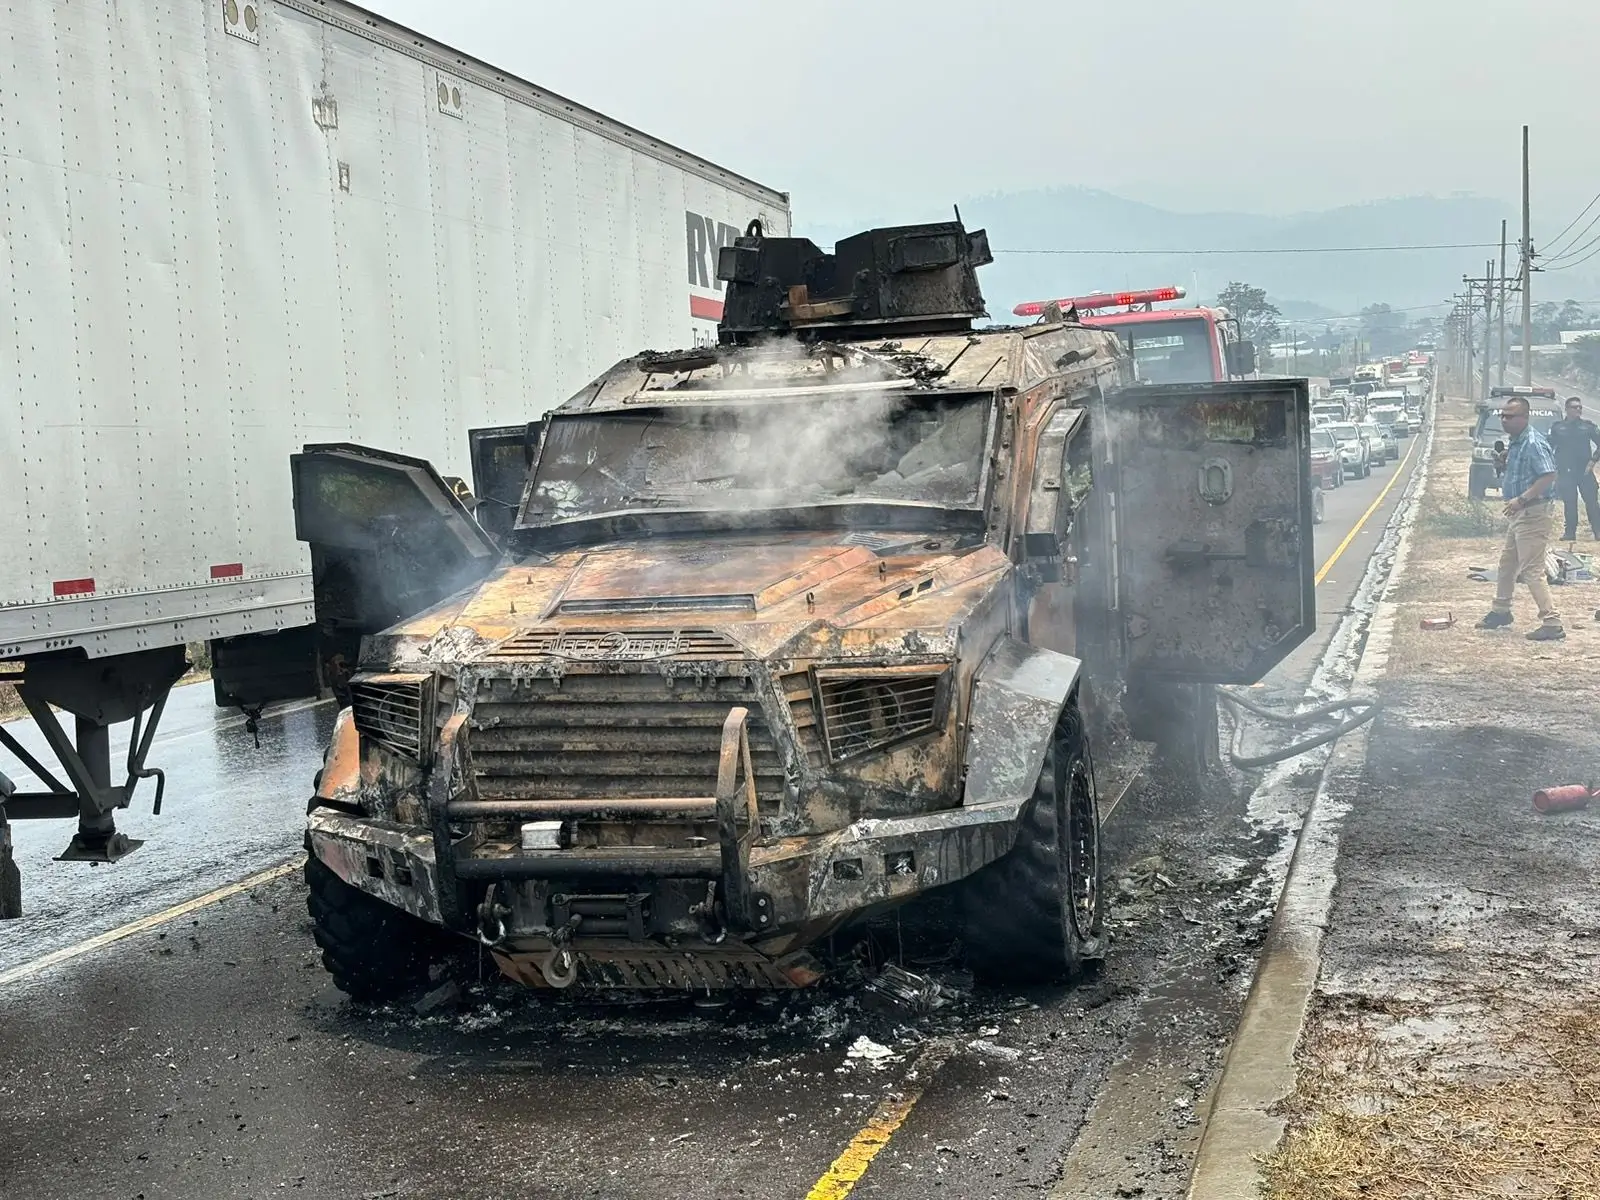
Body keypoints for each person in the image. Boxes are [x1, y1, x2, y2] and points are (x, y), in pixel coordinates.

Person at [1478, 396, 1563, 640]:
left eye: (1510, 416)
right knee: (1507, 565)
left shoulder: (1533, 442)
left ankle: (1552, 622)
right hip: (1519, 513)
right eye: (1502, 416)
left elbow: (1548, 476)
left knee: (1532, 570)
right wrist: (1503, 463)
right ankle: (1501, 610)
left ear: (1525, 417)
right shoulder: (1516, 442)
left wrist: (1522, 499)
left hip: (1532, 511)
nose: (1504, 420)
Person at [1547, 395, 1600, 540]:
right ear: (1567, 409)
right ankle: (1570, 533)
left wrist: (1593, 461)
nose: (1578, 410)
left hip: (1584, 471)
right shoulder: (1558, 427)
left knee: (1592, 503)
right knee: (1570, 503)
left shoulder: (1587, 426)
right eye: (1575, 407)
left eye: (1580, 407)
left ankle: (1598, 531)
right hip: (1566, 471)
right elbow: (1549, 446)